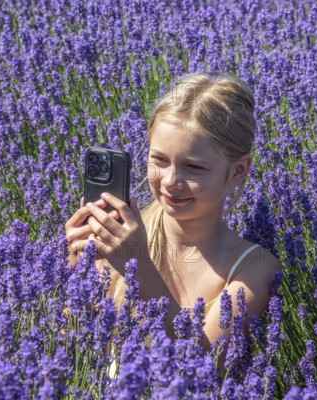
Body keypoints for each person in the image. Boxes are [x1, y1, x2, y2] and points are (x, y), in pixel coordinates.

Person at [65, 72, 282, 376]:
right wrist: (76, 272)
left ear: (239, 170)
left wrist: (136, 263)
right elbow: (68, 356)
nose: (171, 181)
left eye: (193, 167)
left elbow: (202, 372)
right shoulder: (112, 243)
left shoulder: (253, 269)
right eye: (160, 160)